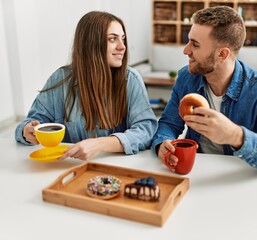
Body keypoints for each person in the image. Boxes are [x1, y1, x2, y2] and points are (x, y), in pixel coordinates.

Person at [151, 6, 257, 173]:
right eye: (189, 41)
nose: (186, 50)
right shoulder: (186, 78)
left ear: (222, 54)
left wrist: (235, 135)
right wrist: (162, 144)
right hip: (197, 170)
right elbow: (169, 124)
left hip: (240, 175)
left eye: (195, 44)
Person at [15, 11, 157, 160]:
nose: (122, 47)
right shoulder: (61, 78)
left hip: (116, 167)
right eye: (112, 39)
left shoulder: (130, 79)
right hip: (69, 167)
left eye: (123, 39)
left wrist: (99, 144)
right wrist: (26, 131)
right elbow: (32, 122)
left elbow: (146, 129)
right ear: (91, 43)